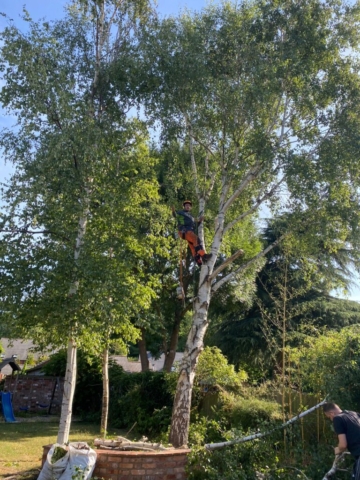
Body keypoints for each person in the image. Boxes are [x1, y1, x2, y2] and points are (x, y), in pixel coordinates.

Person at [323, 402, 360, 479]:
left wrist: (338, 449)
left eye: (329, 417)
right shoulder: (354, 414)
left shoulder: (337, 418)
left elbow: (343, 445)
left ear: (331, 413)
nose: (331, 419)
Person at [172, 200, 212, 266]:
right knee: (196, 240)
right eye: (186, 205)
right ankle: (203, 255)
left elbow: (195, 226)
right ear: (184, 206)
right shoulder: (181, 213)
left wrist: (200, 221)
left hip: (189, 232)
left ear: (190, 207)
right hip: (185, 231)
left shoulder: (192, 217)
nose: (188, 206)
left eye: (189, 206)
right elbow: (175, 216)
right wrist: (173, 211)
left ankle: (198, 260)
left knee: (193, 246)